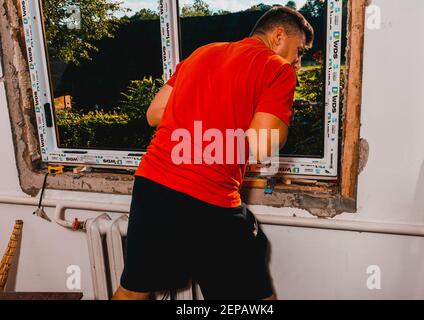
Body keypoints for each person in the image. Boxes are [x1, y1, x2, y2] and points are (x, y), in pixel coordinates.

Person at [112, 6, 314, 300]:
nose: (296, 63)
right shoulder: (277, 68)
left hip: (152, 186)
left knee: (132, 292)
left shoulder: (202, 53)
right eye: (297, 52)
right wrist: (281, 114)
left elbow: (154, 114)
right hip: (208, 198)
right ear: (279, 36)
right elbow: (262, 145)